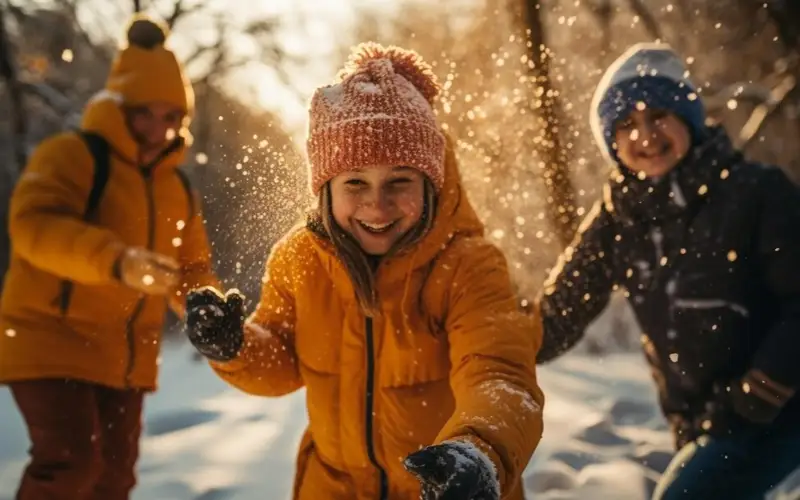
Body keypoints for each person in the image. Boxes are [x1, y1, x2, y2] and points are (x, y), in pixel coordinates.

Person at [183, 42, 544, 500]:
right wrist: (235, 347)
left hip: (446, 488)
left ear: (431, 185)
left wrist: (479, 451)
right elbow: (282, 360)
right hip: (332, 486)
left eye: (400, 181)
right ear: (326, 190)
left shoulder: (468, 266)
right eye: (355, 181)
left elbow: (499, 375)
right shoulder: (300, 259)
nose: (377, 203)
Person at [535, 42, 800, 499]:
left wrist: (757, 394)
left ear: (688, 119)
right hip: (704, 425)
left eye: (658, 115)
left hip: (781, 412)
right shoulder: (618, 220)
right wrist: (483, 336)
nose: (644, 135)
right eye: (626, 124)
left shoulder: (755, 191)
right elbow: (556, 318)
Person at [0, 15, 217, 500]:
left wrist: (207, 307)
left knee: (114, 482)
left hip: (124, 357)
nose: (159, 129)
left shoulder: (178, 187)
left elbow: (193, 269)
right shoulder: (72, 155)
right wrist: (118, 261)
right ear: (119, 106)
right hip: (50, 337)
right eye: (146, 113)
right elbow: (34, 227)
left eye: (171, 117)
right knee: (70, 465)